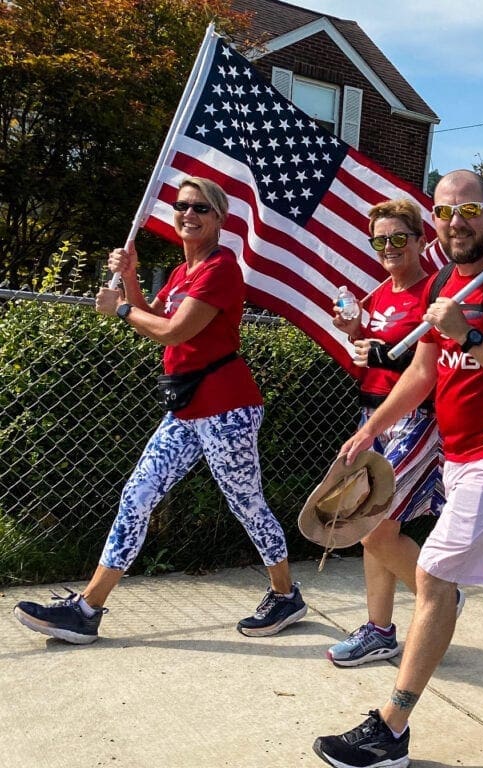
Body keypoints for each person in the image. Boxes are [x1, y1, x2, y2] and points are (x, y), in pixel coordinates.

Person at [313, 170, 483, 768]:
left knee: (433, 577)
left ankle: (391, 730)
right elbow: (423, 373)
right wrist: (372, 426)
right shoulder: (441, 280)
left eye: (469, 210)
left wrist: (472, 336)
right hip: (461, 456)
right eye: (444, 211)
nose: (455, 222)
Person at [12, 176, 306, 644]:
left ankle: (285, 594)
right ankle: (87, 609)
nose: (188, 212)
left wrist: (121, 310)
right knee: (138, 495)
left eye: (200, 208)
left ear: (219, 219)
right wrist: (130, 277)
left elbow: (174, 333)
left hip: (227, 407)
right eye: (181, 204)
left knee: (246, 504)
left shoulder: (221, 268)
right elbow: (156, 316)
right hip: (186, 408)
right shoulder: (181, 271)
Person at [326, 198, 453, 667]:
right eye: (380, 240)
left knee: (371, 525)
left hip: (416, 419)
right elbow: (371, 353)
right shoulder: (378, 294)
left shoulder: (432, 293)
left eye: (399, 237)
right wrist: (352, 328)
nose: (389, 247)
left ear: (421, 241)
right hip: (372, 415)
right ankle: (379, 630)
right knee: (375, 527)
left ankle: (438, 597)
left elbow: (431, 365)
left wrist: (380, 353)